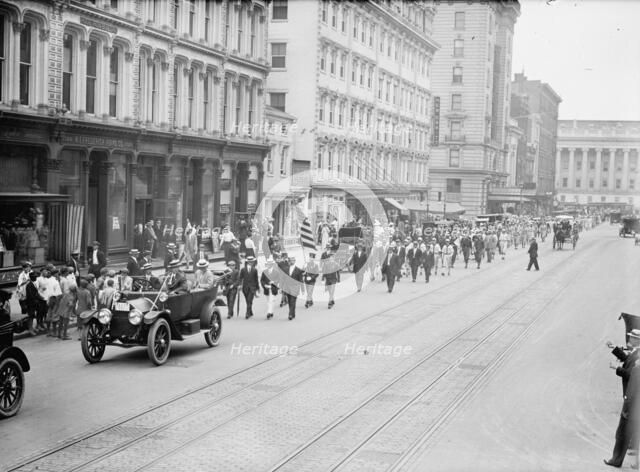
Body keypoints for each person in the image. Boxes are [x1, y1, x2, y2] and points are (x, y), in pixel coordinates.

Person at [604, 360, 640, 468]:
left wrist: (626, 410)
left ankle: (616, 460)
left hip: (632, 409)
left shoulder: (637, 370)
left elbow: (631, 393)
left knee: (621, 434)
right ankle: (636, 463)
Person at [283, 256, 304, 320]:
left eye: (293, 260)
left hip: (295, 288)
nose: (291, 262)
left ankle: (290, 314)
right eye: (290, 260)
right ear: (289, 261)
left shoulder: (298, 270)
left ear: (295, 261)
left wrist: (302, 289)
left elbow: (301, 280)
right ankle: (293, 313)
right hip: (287, 288)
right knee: (290, 301)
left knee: (292, 301)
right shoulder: (286, 269)